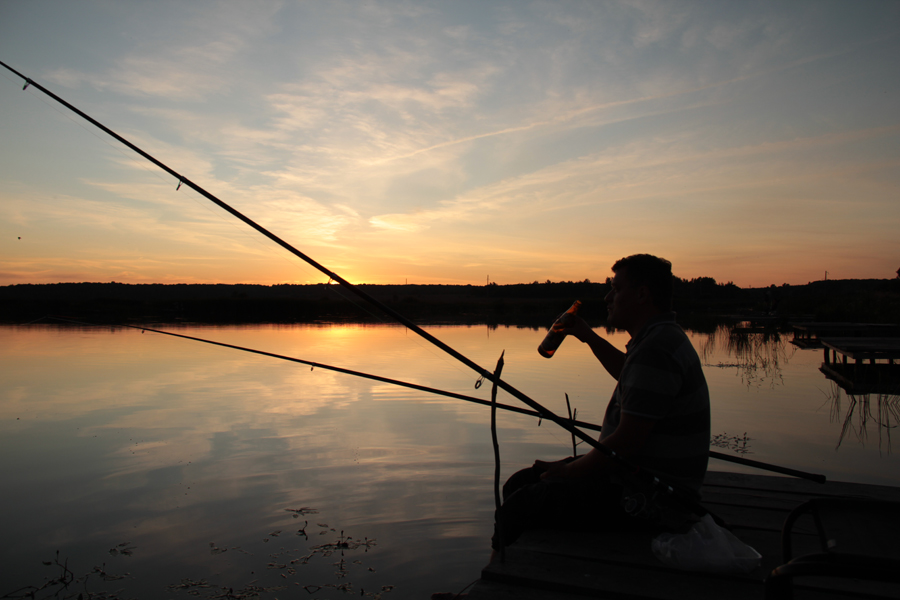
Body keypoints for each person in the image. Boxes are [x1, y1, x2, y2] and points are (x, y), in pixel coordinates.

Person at [491, 254, 710, 551]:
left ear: (643, 294)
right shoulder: (660, 338)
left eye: (616, 289)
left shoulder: (655, 350)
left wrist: (570, 470)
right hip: (636, 480)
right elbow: (628, 374)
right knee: (522, 483)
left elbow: (626, 444)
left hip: (649, 499)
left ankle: (498, 579)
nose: (608, 297)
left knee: (522, 501)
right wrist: (587, 336)